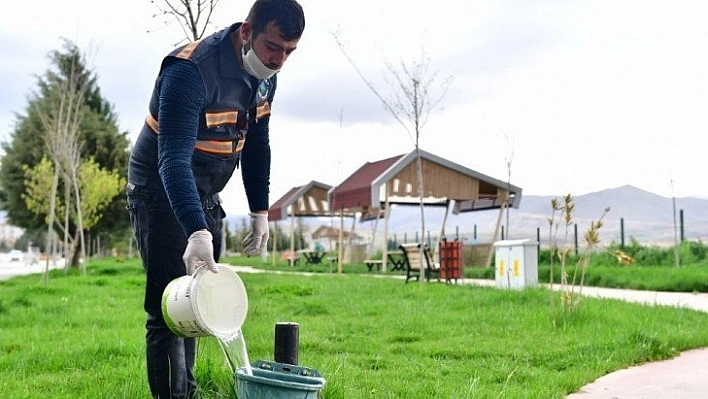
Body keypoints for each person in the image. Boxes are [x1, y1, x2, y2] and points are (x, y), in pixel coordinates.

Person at [126, 0, 305, 397]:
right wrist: (196, 231)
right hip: (158, 189)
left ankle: (187, 392)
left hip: (207, 191)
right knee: (167, 310)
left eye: (289, 52)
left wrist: (260, 211)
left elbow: (258, 144)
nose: (279, 60)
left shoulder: (265, 76)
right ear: (246, 32)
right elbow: (172, 159)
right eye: (273, 47)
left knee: (198, 306)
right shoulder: (189, 71)